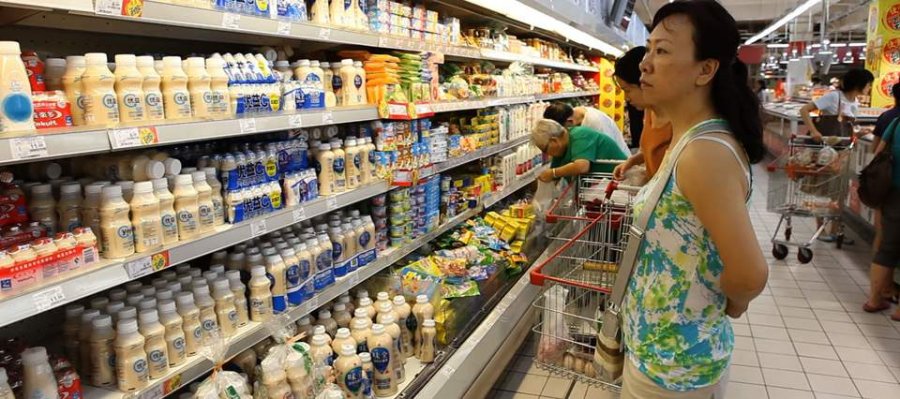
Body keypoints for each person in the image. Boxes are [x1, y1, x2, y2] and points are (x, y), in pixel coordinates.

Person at [621, 1, 768, 397]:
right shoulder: (687, 139)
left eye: (663, 50)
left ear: (706, 69)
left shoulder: (705, 153)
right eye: (648, 49)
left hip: (674, 368)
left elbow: (750, 275)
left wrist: (729, 305)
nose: (645, 64)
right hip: (661, 353)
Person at [800, 68, 874, 244]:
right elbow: (805, 110)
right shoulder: (834, 97)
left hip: (843, 152)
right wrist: (814, 130)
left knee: (840, 192)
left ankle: (835, 230)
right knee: (824, 190)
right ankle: (821, 229)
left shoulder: (854, 102)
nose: (869, 88)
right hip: (826, 152)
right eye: (869, 84)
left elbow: (847, 129)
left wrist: (859, 133)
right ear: (859, 84)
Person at [611, 46, 673, 182]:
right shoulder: (649, 111)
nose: (626, 98)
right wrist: (631, 161)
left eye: (627, 90)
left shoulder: (678, 121)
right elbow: (649, 151)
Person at [862, 114, 900, 321]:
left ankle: (874, 300)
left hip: (893, 193)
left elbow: (877, 153)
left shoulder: (895, 123)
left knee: (887, 247)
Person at [530, 118, 628, 182]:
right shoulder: (561, 151)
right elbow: (553, 178)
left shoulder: (580, 135)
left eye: (545, 149)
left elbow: (582, 166)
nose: (546, 154)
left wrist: (553, 173)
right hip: (600, 186)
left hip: (622, 180)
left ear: (554, 141)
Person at [543, 102, 631, 154]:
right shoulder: (572, 113)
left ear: (569, 122)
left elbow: (608, 152)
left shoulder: (596, 123)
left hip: (618, 167)